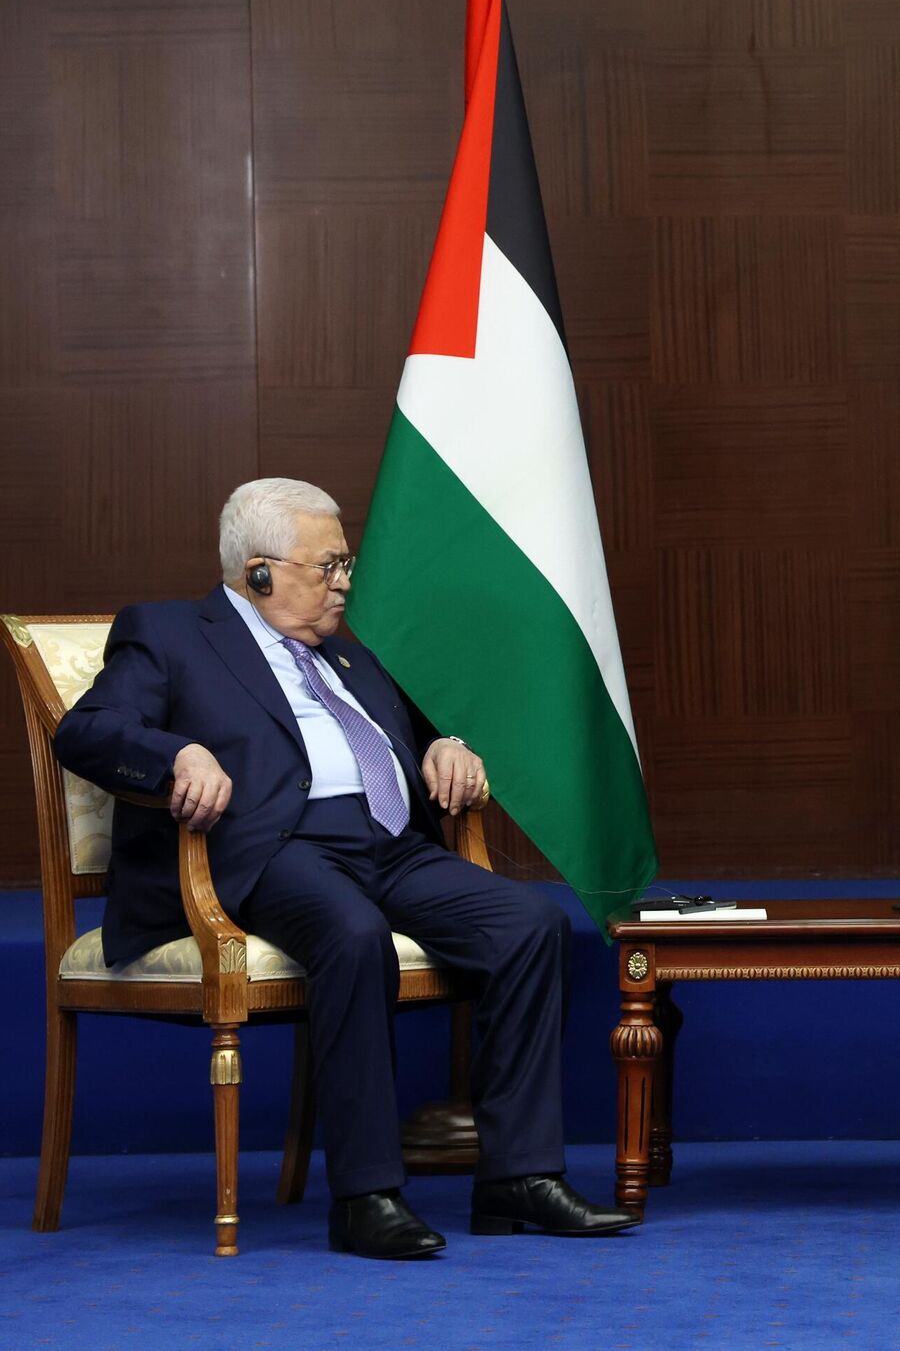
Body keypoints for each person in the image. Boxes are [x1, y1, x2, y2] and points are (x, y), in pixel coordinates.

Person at [53, 478, 639, 1258]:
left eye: (346, 564)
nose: (344, 583)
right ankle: (367, 1196)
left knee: (530, 924)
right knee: (352, 931)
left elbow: (412, 732)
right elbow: (87, 731)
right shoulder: (169, 634)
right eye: (328, 566)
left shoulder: (347, 653)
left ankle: (519, 1177)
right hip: (273, 848)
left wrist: (445, 746)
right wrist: (178, 754)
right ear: (260, 573)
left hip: (391, 846)